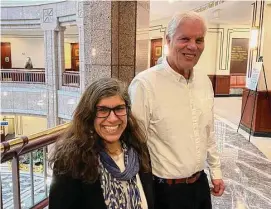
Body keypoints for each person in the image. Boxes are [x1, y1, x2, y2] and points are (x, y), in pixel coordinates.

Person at [129, 11, 225, 209]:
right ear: (168, 40)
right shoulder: (145, 85)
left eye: (199, 40)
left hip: (200, 186)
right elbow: (135, 145)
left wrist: (216, 172)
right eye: (184, 39)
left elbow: (208, 132)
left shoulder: (204, 82)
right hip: (166, 193)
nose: (192, 46)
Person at [49, 78, 154, 209]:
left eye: (119, 109)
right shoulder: (71, 161)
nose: (113, 118)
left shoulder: (138, 149)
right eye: (103, 110)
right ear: (89, 115)